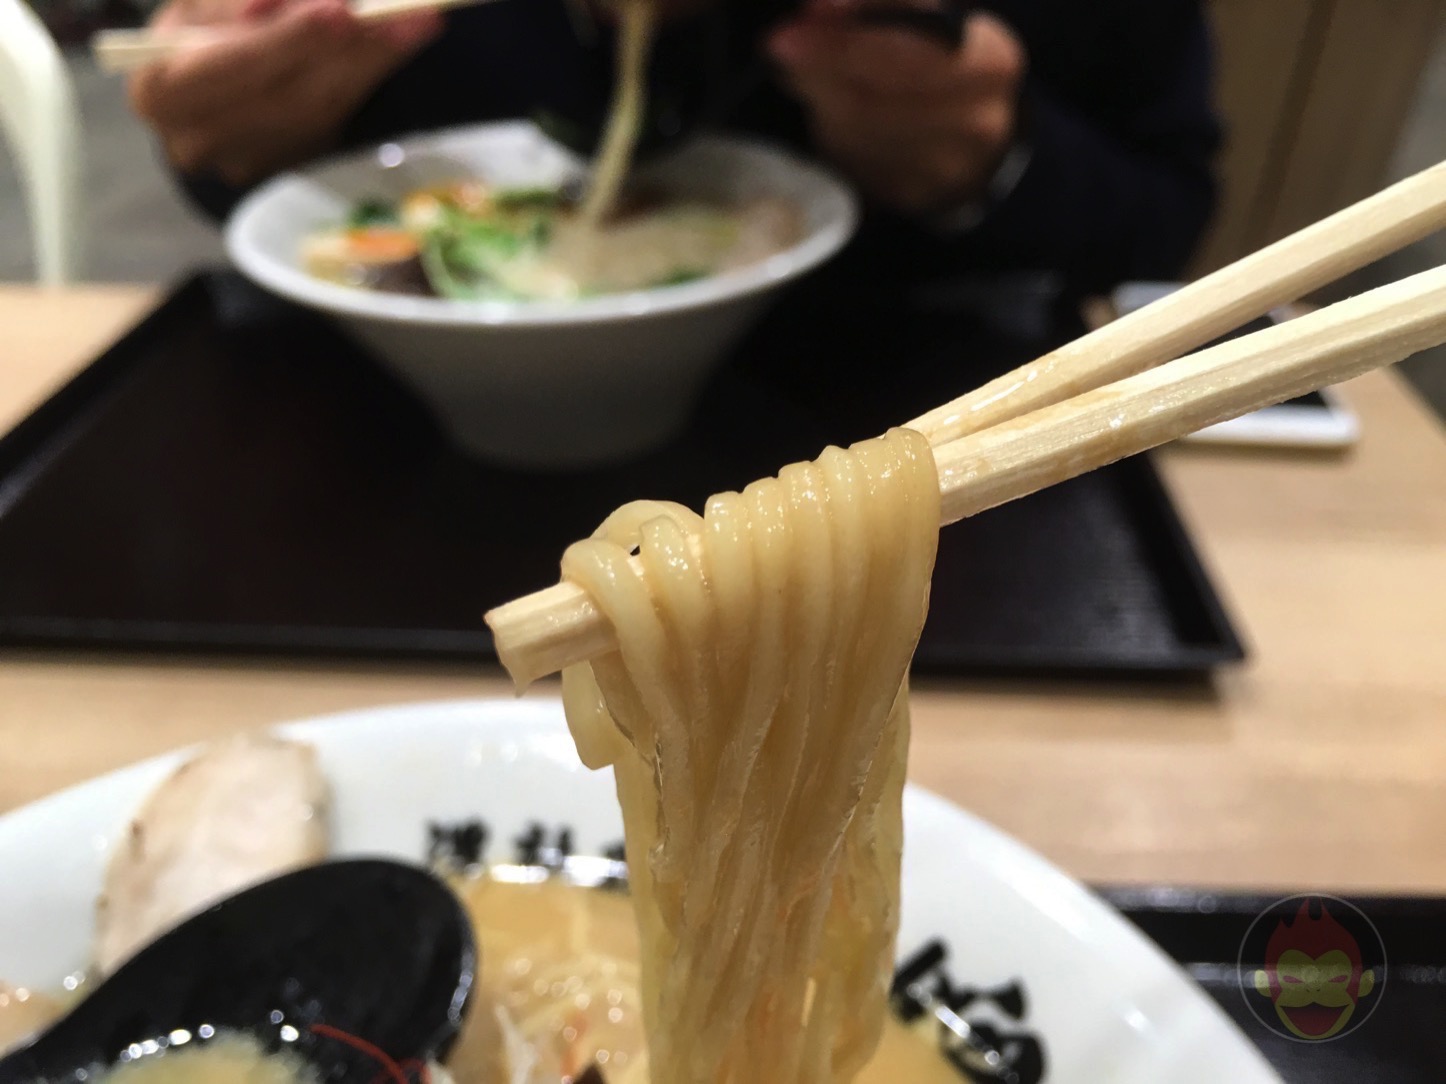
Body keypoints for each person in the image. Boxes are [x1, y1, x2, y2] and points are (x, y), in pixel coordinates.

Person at [129, 0, 1220, 435]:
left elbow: (1163, 218)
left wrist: (995, 160)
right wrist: (238, 130)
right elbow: (241, 180)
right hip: (373, 461)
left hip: (935, 456)